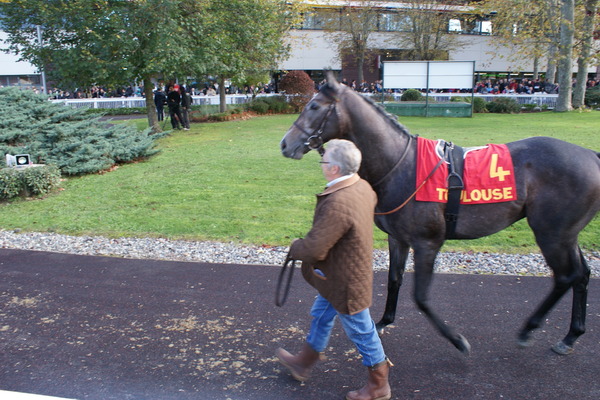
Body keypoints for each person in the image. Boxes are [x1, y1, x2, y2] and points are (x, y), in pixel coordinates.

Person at [276, 139, 392, 400]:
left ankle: (379, 385)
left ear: (335, 170)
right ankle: (303, 362)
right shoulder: (362, 186)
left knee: (361, 330)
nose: (322, 164)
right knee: (321, 313)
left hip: (345, 282)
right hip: (340, 273)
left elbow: (315, 249)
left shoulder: (338, 202)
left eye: (324, 160)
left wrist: (296, 247)